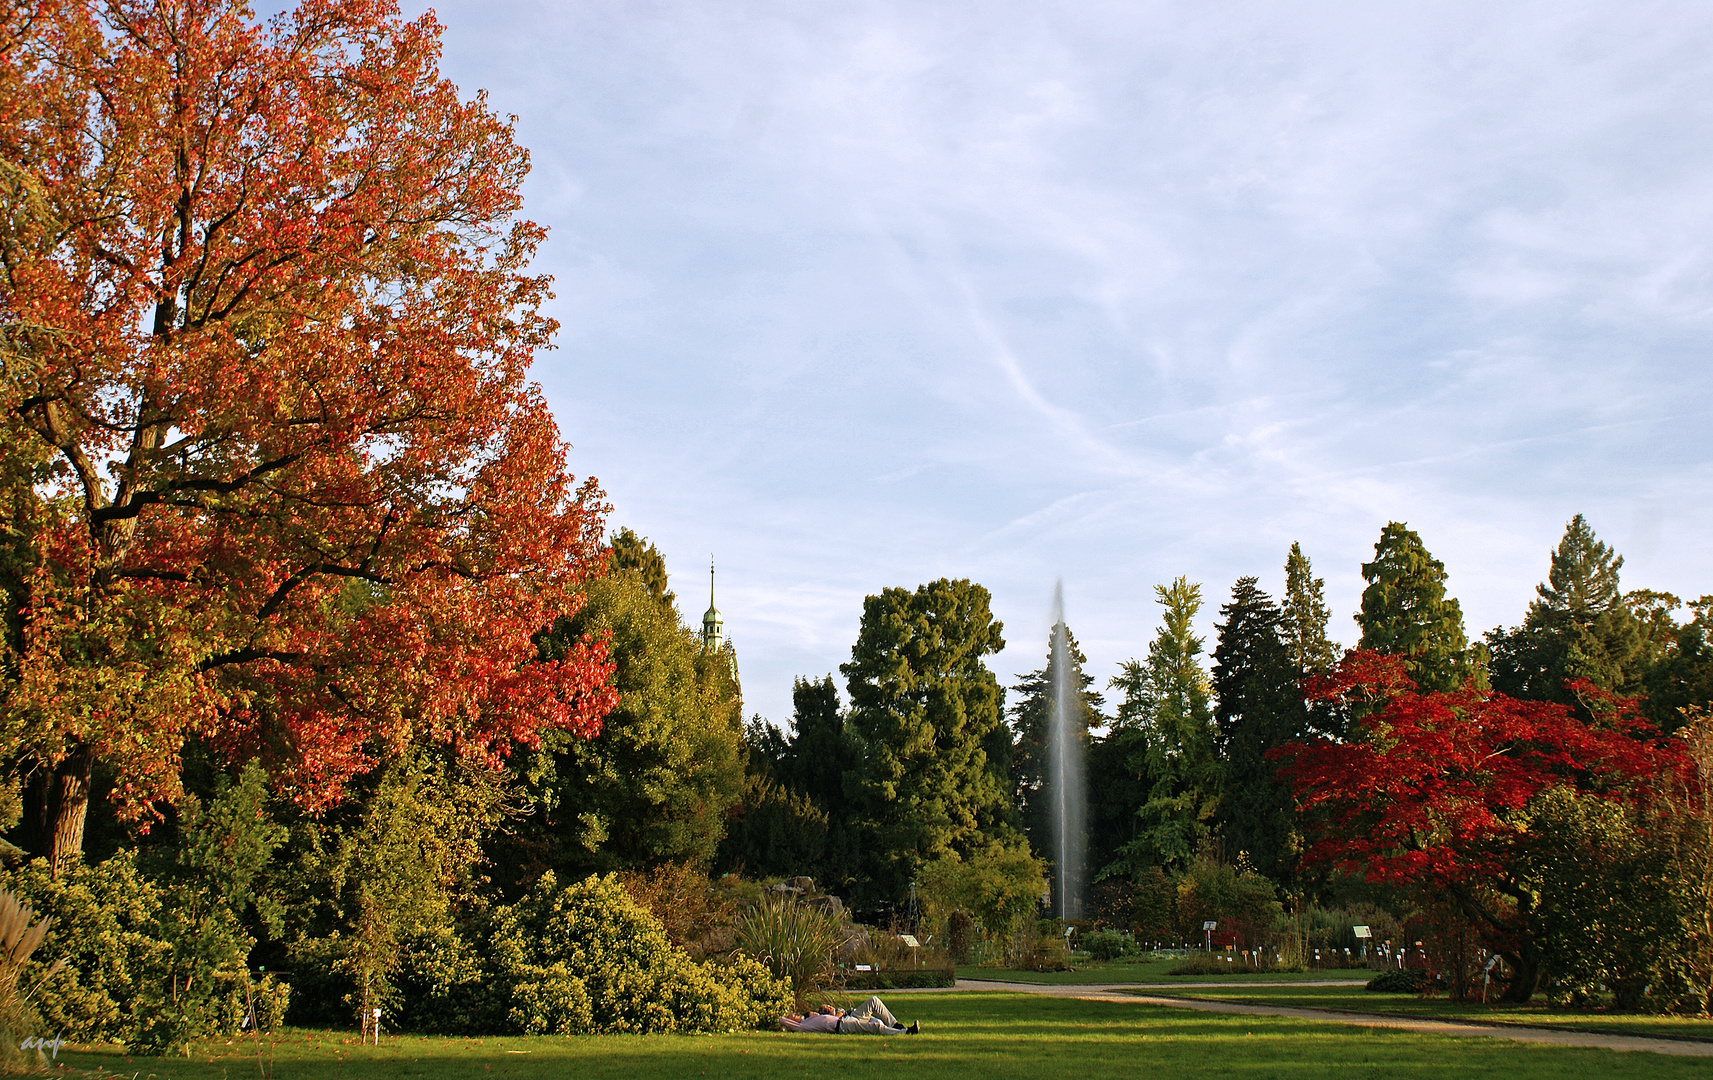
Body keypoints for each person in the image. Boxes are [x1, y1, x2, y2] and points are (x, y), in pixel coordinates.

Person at [779, 997, 920, 1035]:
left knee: (874, 1001)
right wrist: (788, 1019)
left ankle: (896, 1025)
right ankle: (905, 1032)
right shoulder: (801, 1027)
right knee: (875, 1026)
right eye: (793, 1016)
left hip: (847, 1017)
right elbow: (781, 1019)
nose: (796, 1015)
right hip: (842, 1026)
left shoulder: (810, 1018)